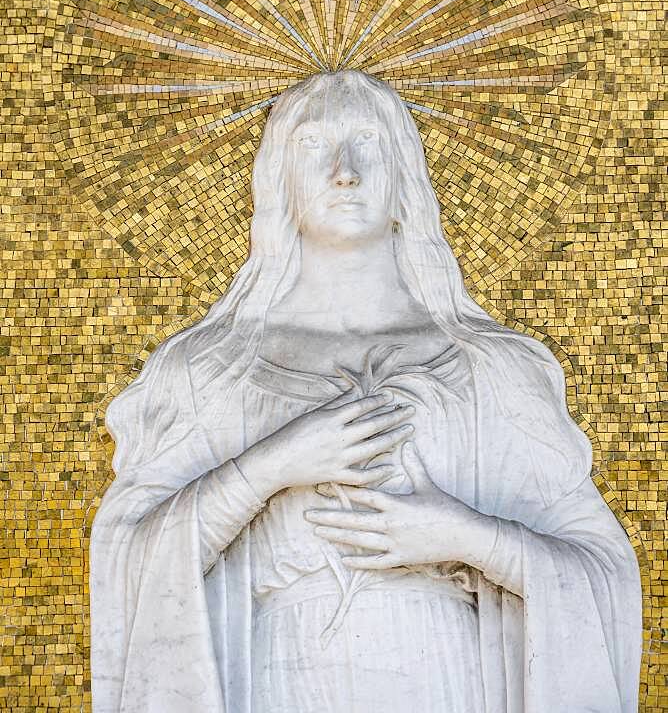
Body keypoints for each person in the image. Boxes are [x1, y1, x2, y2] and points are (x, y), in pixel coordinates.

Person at [90, 71, 642, 713]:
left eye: (367, 142)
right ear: (278, 182)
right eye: (311, 145)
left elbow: (600, 570)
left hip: (447, 676)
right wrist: (266, 468)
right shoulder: (207, 368)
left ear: (404, 173)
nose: (343, 170)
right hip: (280, 678)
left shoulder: (492, 368)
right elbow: (127, 560)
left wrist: (471, 538)